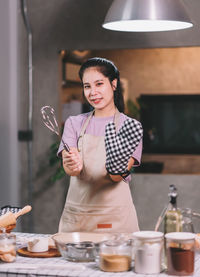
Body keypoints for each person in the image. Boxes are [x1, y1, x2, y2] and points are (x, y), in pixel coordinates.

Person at [57, 57, 143, 233]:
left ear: (113, 84)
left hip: (115, 221)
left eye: (99, 84)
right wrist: (72, 163)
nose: (92, 92)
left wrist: (116, 162)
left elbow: (116, 177)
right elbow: (70, 169)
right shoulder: (74, 123)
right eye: (87, 86)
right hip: (78, 219)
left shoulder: (130, 127)